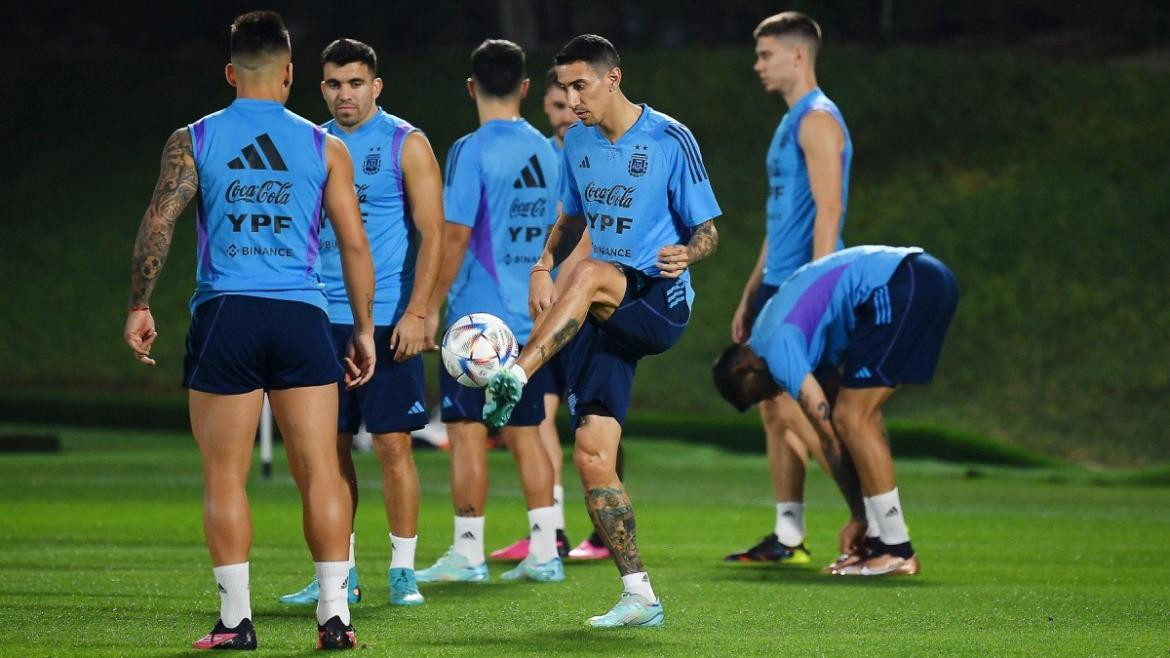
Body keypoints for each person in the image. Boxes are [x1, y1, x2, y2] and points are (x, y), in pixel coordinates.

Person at [121, 11, 373, 650]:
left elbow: (160, 221)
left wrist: (140, 303)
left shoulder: (195, 138)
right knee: (321, 472)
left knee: (225, 477)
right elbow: (353, 245)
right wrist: (364, 328)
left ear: (232, 73)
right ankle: (335, 619)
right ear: (290, 75)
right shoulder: (327, 146)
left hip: (226, 315)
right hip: (303, 317)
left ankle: (236, 621)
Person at [482, 34, 721, 627]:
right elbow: (568, 219)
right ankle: (640, 594)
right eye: (564, 87)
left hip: (657, 299)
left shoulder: (670, 138)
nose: (571, 98)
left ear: (613, 79)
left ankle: (516, 370)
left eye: (580, 85)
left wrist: (688, 255)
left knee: (587, 273)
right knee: (592, 456)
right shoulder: (578, 144)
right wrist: (541, 266)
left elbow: (709, 230)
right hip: (600, 308)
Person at [278, 38, 443, 609]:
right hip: (316, 314)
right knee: (327, 450)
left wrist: (419, 311)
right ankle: (340, 571)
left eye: (354, 83)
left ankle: (403, 571)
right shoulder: (308, 143)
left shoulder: (406, 143)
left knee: (394, 445)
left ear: (376, 86)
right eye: (332, 84)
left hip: (387, 316)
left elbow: (435, 233)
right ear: (319, 87)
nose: (343, 94)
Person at [713, 245, 959, 576]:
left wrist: (857, 514)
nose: (769, 398)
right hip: (919, 277)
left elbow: (828, 436)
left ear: (745, 369)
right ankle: (880, 541)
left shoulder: (775, 346)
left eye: (756, 395)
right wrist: (861, 518)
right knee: (857, 415)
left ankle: (896, 549)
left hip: (902, 283)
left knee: (851, 416)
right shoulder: (784, 337)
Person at [419, 39, 564, 584]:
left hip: (477, 325)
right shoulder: (551, 151)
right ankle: (546, 553)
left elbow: (455, 237)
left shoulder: (470, 149)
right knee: (529, 431)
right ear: (526, 88)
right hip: (535, 316)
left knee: (466, 431)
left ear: (470, 87)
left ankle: (468, 553)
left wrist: (429, 308)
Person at [725, 11, 854, 568]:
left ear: (798, 56)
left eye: (766, 54)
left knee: (812, 413)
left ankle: (873, 522)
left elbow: (830, 209)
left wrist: (816, 295)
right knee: (773, 411)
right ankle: (788, 535)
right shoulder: (789, 121)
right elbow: (782, 218)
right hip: (776, 285)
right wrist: (752, 290)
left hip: (804, 288)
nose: (758, 65)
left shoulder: (817, 119)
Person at [489, 67, 614, 563]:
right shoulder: (542, 160)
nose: (567, 115)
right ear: (546, 108)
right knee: (539, 416)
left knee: (597, 417)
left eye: (573, 104)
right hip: (542, 311)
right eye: (558, 106)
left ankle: (602, 531)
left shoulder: (602, 155)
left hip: (590, 308)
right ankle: (552, 531)